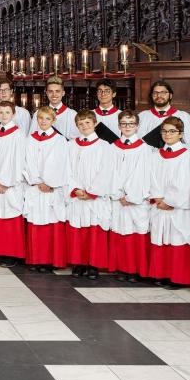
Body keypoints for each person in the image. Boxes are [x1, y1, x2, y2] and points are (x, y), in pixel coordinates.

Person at [146, 116, 190, 289]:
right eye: (164, 131)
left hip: (177, 208)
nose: (167, 135)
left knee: (177, 239)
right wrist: (157, 197)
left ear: (181, 134)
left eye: (172, 131)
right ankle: (161, 274)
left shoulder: (187, 156)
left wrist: (170, 201)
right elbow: (151, 178)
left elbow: (185, 183)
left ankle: (179, 277)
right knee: (160, 238)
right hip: (159, 204)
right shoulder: (155, 155)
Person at [64, 110, 116, 279]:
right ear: (76, 126)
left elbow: (106, 171)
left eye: (87, 122)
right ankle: (78, 263)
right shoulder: (71, 145)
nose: (84, 126)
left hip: (94, 197)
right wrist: (75, 189)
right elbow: (66, 170)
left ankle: (93, 264)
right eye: (80, 123)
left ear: (94, 123)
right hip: (77, 195)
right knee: (77, 230)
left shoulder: (104, 146)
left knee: (94, 231)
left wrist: (92, 191)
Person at [108, 110, 153, 282]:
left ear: (137, 126)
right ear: (119, 126)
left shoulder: (144, 149)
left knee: (136, 234)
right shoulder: (113, 148)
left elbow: (142, 174)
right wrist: (118, 193)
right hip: (118, 198)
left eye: (131, 124)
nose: (127, 127)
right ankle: (122, 267)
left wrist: (131, 195)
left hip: (136, 200)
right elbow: (110, 173)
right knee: (120, 231)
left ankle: (135, 270)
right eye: (124, 124)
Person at [23, 106, 68, 272]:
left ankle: (50, 260)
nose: (43, 121)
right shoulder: (30, 139)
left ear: (53, 121)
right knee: (36, 222)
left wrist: (49, 182)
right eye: (40, 118)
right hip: (35, 187)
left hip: (51, 189)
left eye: (47, 119)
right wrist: (36, 180)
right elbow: (27, 162)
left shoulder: (60, 140)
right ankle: (35, 259)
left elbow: (61, 164)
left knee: (51, 223)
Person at [0, 101, 28, 267]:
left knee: (11, 217)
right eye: (1, 112)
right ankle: (0, 252)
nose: (4, 115)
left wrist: (8, 183)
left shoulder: (18, 135)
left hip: (11, 184)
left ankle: (12, 254)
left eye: (7, 112)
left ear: (13, 114)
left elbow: (20, 161)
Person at [138, 80, 190, 162]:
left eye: (163, 93)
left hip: (176, 161)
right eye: (155, 93)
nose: (159, 96)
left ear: (170, 95)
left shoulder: (184, 117)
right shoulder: (142, 117)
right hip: (149, 161)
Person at [92, 79, 121, 143]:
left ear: (114, 94)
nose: (103, 94)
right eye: (100, 91)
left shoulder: (121, 115)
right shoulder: (90, 115)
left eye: (107, 91)